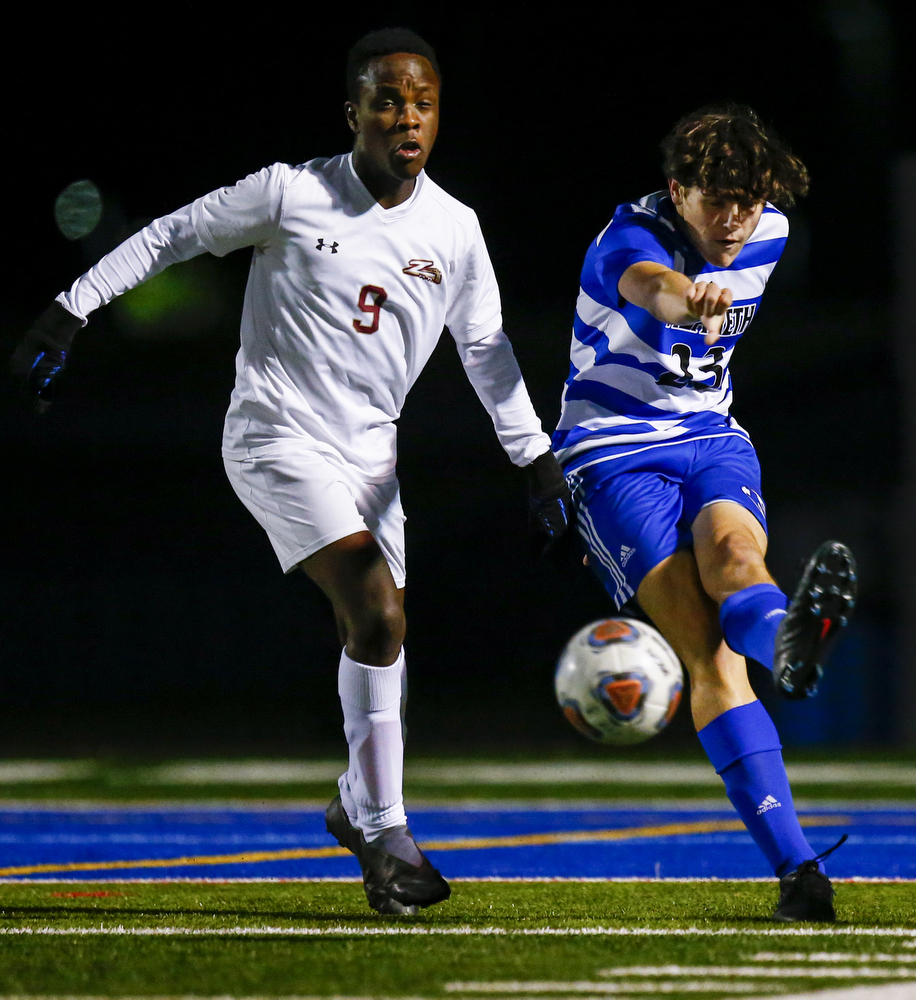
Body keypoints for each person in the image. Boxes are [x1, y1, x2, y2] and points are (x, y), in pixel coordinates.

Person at [12, 28, 572, 915]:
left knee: (382, 638)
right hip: (274, 434)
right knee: (375, 606)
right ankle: (389, 833)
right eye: (387, 99)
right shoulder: (291, 191)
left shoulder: (456, 230)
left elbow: (485, 347)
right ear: (352, 112)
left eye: (422, 102)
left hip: (373, 455)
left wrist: (536, 459)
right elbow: (172, 236)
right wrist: (68, 310)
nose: (407, 117)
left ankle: (360, 808)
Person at [552, 104, 856, 921]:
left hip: (711, 434)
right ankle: (798, 872)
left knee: (739, 563)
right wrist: (694, 300)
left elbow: (739, 266)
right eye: (715, 199)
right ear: (676, 190)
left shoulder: (773, 234)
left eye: (747, 202)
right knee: (706, 649)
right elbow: (657, 290)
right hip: (612, 453)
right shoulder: (625, 241)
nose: (732, 220)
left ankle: (789, 644)